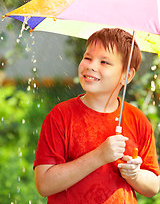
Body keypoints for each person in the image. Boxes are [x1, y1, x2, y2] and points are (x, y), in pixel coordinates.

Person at [33, 28, 160, 204]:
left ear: (127, 75)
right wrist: (99, 156)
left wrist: (135, 175)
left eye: (105, 62)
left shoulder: (137, 120)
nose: (91, 66)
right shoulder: (61, 116)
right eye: (87, 58)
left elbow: (153, 186)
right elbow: (44, 184)